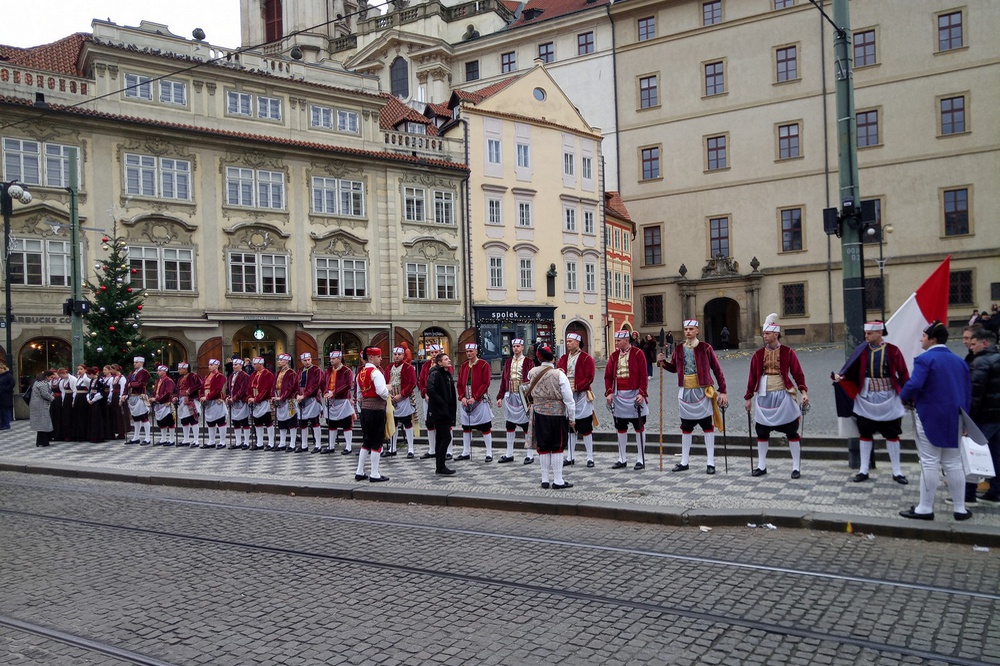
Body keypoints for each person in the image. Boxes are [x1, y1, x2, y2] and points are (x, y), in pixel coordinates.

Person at [898, 321, 972, 521]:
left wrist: (902, 398)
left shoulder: (925, 359)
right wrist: (966, 421)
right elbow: (967, 393)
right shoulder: (959, 361)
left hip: (930, 415)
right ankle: (960, 509)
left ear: (933, 339)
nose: (921, 339)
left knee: (929, 462)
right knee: (954, 462)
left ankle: (925, 508)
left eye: (924, 336)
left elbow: (914, 384)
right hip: (955, 416)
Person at [833, 321, 911, 484]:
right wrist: (842, 377)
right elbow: (851, 370)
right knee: (865, 433)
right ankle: (863, 469)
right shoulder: (862, 350)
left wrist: (907, 395)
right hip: (866, 398)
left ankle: (897, 471)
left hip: (889, 398)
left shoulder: (893, 350)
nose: (866, 336)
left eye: (869, 333)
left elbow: (903, 373)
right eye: (866, 333)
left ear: (879, 333)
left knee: (892, 434)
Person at [656, 319, 728, 474]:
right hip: (685, 391)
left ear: (697, 331)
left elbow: (717, 369)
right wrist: (662, 363)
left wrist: (723, 391)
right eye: (686, 329)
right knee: (686, 426)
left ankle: (710, 462)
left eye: (691, 329)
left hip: (702, 390)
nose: (688, 332)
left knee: (707, 426)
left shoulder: (705, 348)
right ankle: (684, 461)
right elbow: (674, 368)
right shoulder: (679, 349)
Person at [744, 314, 809, 479]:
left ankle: (795, 467)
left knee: (791, 430)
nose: (764, 336)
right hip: (764, 396)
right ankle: (761, 465)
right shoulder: (758, 355)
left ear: (775, 334)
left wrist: (803, 392)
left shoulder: (788, 352)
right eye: (764, 333)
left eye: (767, 333)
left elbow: (798, 373)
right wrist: (748, 397)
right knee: (762, 431)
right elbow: (752, 377)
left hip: (783, 394)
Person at [527, 344, 576, 489]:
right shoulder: (559, 374)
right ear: (553, 358)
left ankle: (544, 479)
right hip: (556, 414)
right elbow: (568, 398)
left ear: (538, 357)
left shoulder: (532, 372)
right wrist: (572, 417)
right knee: (557, 446)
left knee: (543, 446)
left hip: (539, 413)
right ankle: (558, 480)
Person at [604, 330, 649, 470]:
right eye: (615, 340)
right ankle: (621, 458)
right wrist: (609, 393)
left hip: (635, 393)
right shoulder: (614, 356)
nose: (616, 343)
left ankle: (640, 458)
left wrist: (642, 392)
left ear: (626, 340)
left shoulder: (638, 353)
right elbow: (608, 377)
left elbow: (643, 374)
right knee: (620, 427)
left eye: (618, 341)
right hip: (619, 396)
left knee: (639, 426)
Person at [968, 328, 1000, 504]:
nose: (971, 348)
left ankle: (968, 494)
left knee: (972, 455)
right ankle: (996, 491)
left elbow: (975, 394)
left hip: (983, 417)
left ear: (984, 343)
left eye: (974, 344)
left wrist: (967, 420)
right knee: (996, 454)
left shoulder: (981, 362)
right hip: (996, 417)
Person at [558, 332, 597, 467]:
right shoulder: (563, 358)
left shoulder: (587, 358)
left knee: (586, 427)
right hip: (567, 396)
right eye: (567, 341)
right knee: (570, 427)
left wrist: (577, 387)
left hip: (581, 395)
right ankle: (570, 456)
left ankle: (590, 457)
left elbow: (590, 377)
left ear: (577, 342)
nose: (568, 343)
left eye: (570, 341)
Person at [496, 338, 533, 464]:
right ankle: (509, 453)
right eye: (514, 346)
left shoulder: (528, 361)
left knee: (526, 425)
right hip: (510, 394)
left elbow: (532, 381)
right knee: (509, 425)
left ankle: (530, 454)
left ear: (522, 347)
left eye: (518, 346)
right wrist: (500, 396)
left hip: (523, 396)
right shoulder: (508, 362)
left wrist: (531, 399)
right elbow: (504, 380)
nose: (515, 348)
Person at [356, 346, 389, 482]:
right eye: (379, 356)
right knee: (376, 441)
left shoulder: (360, 373)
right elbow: (381, 391)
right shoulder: (376, 373)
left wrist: (360, 407)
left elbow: (358, 394)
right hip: (376, 410)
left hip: (365, 410)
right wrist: (389, 392)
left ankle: (359, 471)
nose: (381, 359)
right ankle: (374, 473)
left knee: (367, 440)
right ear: (371, 357)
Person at [457, 343, 493, 462]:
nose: (468, 353)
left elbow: (485, 383)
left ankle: (489, 452)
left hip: (479, 400)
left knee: (485, 426)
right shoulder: (463, 366)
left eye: (471, 351)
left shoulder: (484, 365)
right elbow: (459, 384)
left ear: (476, 352)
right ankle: (465, 451)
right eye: (467, 351)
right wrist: (462, 397)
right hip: (465, 400)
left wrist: (476, 397)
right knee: (466, 427)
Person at [426, 352, 457, 475]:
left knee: (440, 438)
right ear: (439, 362)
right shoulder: (435, 373)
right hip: (439, 411)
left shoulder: (446, 374)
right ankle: (441, 465)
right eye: (446, 359)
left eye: (449, 358)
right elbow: (431, 390)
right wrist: (442, 403)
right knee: (446, 437)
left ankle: (440, 466)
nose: (449, 360)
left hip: (446, 410)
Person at [418, 344, 450, 461]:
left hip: (440, 400)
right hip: (428, 399)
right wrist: (425, 393)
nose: (434, 355)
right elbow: (421, 380)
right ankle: (432, 449)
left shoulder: (445, 366)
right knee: (430, 423)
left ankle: (448, 451)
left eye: (436, 352)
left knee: (445, 425)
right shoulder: (426, 365)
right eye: (432, 353)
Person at [387, 346, 418, 458]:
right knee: (393, 422)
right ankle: (392, 447)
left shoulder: (408, 367)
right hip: (391, 397)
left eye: (399, 354)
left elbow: (412, 383)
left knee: (407, 422)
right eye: (395, 354)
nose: (397, 356)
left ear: (403, 355)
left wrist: (402, 395)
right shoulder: (389, 367)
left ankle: (410, 448)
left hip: (404, 398)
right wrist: (389, 394)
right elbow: (386, 381)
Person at [323, 350, 355, 454]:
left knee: (346, 424)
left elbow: (348, 385)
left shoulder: (347, 371)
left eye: (333, 358)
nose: (331, 360)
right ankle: (331, 446)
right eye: (331, 358)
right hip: (331, 400)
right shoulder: (328, 371)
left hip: (343, 400)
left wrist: (334, 392)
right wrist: (325, 392)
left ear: (340, 359)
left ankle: (348, 447)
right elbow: (324, 383)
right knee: (331, 424)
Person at [296, 352, 324, 453]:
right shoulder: (299, 371)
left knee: (314, 421)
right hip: (301, 398)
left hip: (312, 398)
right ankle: (304, 445)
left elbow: (316, 385)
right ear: (301, 361)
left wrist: (305, 395)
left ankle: (318, 444)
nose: (307, 362)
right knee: (302, 422)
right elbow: (296, 384)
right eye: (305, 360)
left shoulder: (316, 370)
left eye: (309, 360)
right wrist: (297, 395)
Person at [271, 353, 298, 451]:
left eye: (281, 360)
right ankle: (282, 442)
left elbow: (291, 387)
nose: (279, 361)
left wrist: (282, 396)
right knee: (281, 422)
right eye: (278, 360)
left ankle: (292, 443)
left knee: (291, 422)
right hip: (279, 398)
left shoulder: (291, 373)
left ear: (287, 361)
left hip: (289, 399)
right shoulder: (278, 373)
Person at [123, 356, 151, 446]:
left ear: (141, 363)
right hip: (132, 396)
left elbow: (141, 384)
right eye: (134, 362)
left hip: (140, 396)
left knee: (144, 417)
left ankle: (147, 438)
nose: (134, 364)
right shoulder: (132, 372)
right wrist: (125, 394)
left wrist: (131, 384)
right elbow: (127, 384)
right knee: (135, 418)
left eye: (137, 362)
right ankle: (136, 437)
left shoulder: (145, 373)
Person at [248, 357, 275, 451]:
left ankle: (271, 442)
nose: (253, 366)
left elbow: (266, 389)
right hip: (254, 401)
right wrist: (250, 397)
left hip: (264, 401)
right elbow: (249, 387)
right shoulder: (253, 374)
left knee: (268, 422)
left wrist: (257, 399)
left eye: (255, 364)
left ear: (261, 364)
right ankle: (259, 442)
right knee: (257, 422)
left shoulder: (268, 374)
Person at [200, 358, 227, 449]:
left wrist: (207, 397)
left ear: (217, 366)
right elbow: (202, 388)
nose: (209, 366)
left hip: (216, 400)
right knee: (210, 421)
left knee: (220, 421)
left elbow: (217, 389)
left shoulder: (220, 376)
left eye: (212, 365)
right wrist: (201, 396)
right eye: (209, 365)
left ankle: (222, 441)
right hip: (207, 401)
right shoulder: (207, 376)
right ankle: (211, 441)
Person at [175, 362, 203, 447]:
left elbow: (200, 384)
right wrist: (176, 397)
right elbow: (178, 389)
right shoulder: (180, 378)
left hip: (191, 400)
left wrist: (190, 390)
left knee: (193, 420)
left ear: (186, 369)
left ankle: (196, 440)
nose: (178, 370)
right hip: (182, 400)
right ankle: (186, 439)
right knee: (184, 420)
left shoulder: (193, 376)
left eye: (180, 369)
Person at [226, 358, 251, 450]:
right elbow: (228, 388)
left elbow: (243, 388)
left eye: (236, 365)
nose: (234, 366)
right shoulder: (231, 375)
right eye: (233, 365)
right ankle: (238, 441)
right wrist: (228, 396)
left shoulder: (245, 376)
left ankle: (247, 442)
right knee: (235, 422)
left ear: (241, 365)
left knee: (244, 421)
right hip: (233, 401)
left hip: (241, 401)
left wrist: (235, 398)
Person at [29, 370, 56, 447]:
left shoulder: (37, 382)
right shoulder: (43, 384)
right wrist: (52, 398)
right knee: (43, 422)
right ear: (46, 377)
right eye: (51, 377)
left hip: (36, 404)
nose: (51, 379)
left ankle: (40, 441)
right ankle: (43, 441)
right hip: (41, 404)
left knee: (40, 423)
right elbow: (45, 394)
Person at [152, 365, 176, 446]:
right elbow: (155, 391)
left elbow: (168, 392)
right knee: (161, 422)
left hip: (166, 403)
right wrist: (153, 397)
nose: (158, 372)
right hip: (159, 404)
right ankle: (163, 438)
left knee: (169, 421)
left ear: (164, 371)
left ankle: (172, 439)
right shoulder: (158, 380)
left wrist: (157, 399)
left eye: (159, 370)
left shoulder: (168, 380)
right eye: (158, 370)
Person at [84, 367, 108, 443]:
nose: (88, 376)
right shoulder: (92, 380)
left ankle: (98, 436)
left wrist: (94, 399)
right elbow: (90, 390)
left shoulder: (100, 380)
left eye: (88, 375)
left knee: (97, 419)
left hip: (98, 401)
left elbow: (102, 392)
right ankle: (92, 436)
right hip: (92, 399)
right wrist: (88, 398)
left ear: (91, 374)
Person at [0, 363, 14, 430]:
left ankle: (6, 424)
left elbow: (12, 384)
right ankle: (2, 424)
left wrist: (5, 389)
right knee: (1, 411)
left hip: (6, 396)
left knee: (6, 410)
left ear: (3, 368)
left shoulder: (8, 375)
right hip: (1, 396)